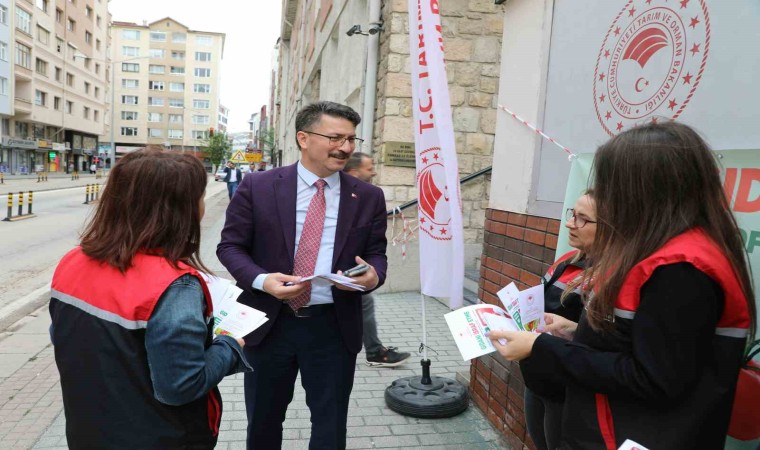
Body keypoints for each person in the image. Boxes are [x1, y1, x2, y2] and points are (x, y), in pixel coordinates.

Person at [488, 122, 755, 449]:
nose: (609, 198)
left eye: (613, 185)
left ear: (646, 190)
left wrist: (542, 348)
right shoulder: (663, 253)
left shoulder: (681, 268)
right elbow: (646, 345)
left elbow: (655, 378)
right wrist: (575, 333)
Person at [49, 146, 250, 449]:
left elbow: (69, 341)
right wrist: (230, 345)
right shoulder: (175, 286)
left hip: (89, 430)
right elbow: (181, 386)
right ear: (177, 210)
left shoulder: (72, 261)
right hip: (161, 436)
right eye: (198, 197)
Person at [217, 101, 387, 449]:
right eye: (336, 137)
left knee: (330, 424)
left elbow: (376, 254)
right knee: (263, 422)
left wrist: (373, 276)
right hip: (269, 325)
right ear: (303, 138)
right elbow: (230, 248)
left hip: (333, 328)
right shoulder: (259, 186)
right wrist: (263, 280)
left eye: (352, 139)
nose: (346, 148)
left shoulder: (368, 196)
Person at [522, 191, 595, 450]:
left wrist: (575, 330)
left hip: (566, 390)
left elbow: (605, 343)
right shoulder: (565, 260)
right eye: (572, 215)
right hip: (536, 379)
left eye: (582, 219)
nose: (570, 223)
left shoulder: (610, 277)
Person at [344, 152, 411, 367]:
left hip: (356, 268)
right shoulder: (341, 198)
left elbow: (376, 246)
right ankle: (373, 351)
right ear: (354, 172)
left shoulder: (370, 197)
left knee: (364, 303)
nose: (374, 172)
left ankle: (373, 349)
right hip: (341, 271)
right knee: (363, 304)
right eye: (369, 168)